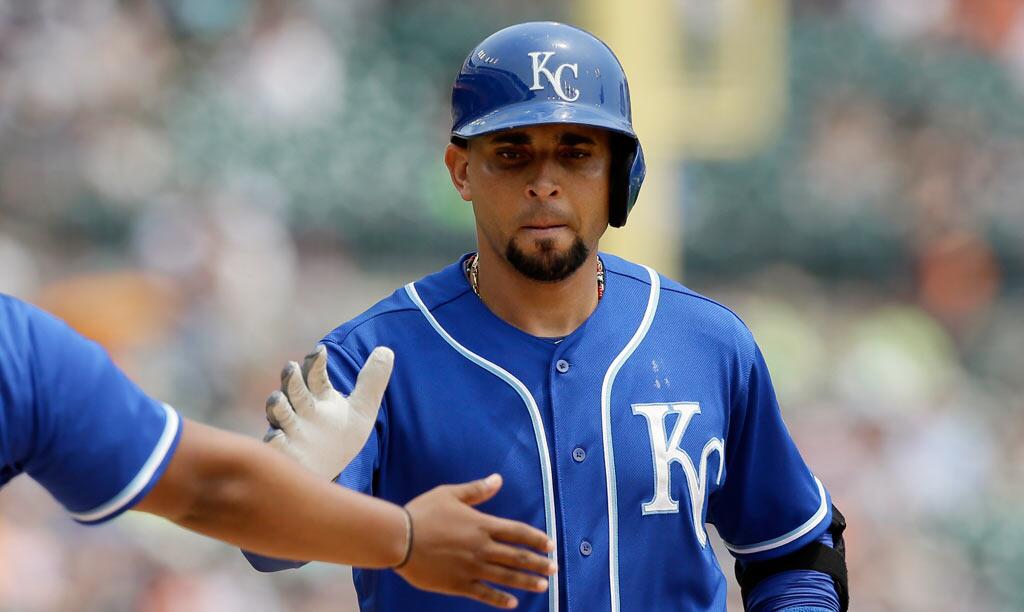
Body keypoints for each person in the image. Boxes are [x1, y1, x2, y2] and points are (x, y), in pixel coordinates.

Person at [249, 21, 849, 612]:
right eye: (512, 154)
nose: (544, 183)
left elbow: (795, 553)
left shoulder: (707, 344)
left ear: (619, 173)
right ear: (462, 171)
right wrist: (286, 497)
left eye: (576, 153)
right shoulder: (373, 360)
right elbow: (269, 549)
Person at [0, 293, 556, 609]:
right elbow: (210, 491)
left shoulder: (23, 350)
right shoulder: (20, 348)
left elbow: (214, 491)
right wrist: (404, 538)